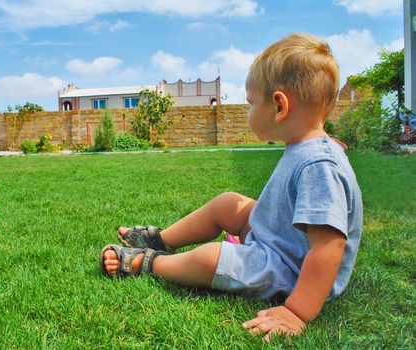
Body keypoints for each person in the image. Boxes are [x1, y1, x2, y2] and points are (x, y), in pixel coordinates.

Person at [100, 33, 363, 342]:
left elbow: (328, 246)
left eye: (251, 103)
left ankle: (152, 263)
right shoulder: (308, 148)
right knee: (229, 204)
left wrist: (297, 311)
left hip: (288, 268)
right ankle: (161, 239)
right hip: (281, 240)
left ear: (280, 106)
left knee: (212, 258)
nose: (248, 110)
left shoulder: (319, 165)